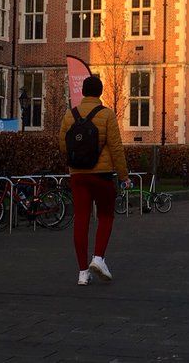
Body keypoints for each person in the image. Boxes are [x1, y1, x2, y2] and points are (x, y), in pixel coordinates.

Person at [58, 75, 130, 286]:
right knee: (106, 216)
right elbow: (116, 148)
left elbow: (63, 145)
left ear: (83, 92)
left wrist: (77, 160)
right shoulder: (106, 114)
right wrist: (124, 176)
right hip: (102, 175)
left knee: (81, 219)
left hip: (78, 175)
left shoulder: (69, 115)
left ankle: (82, 272)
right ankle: (98, 258)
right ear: (100, 92)